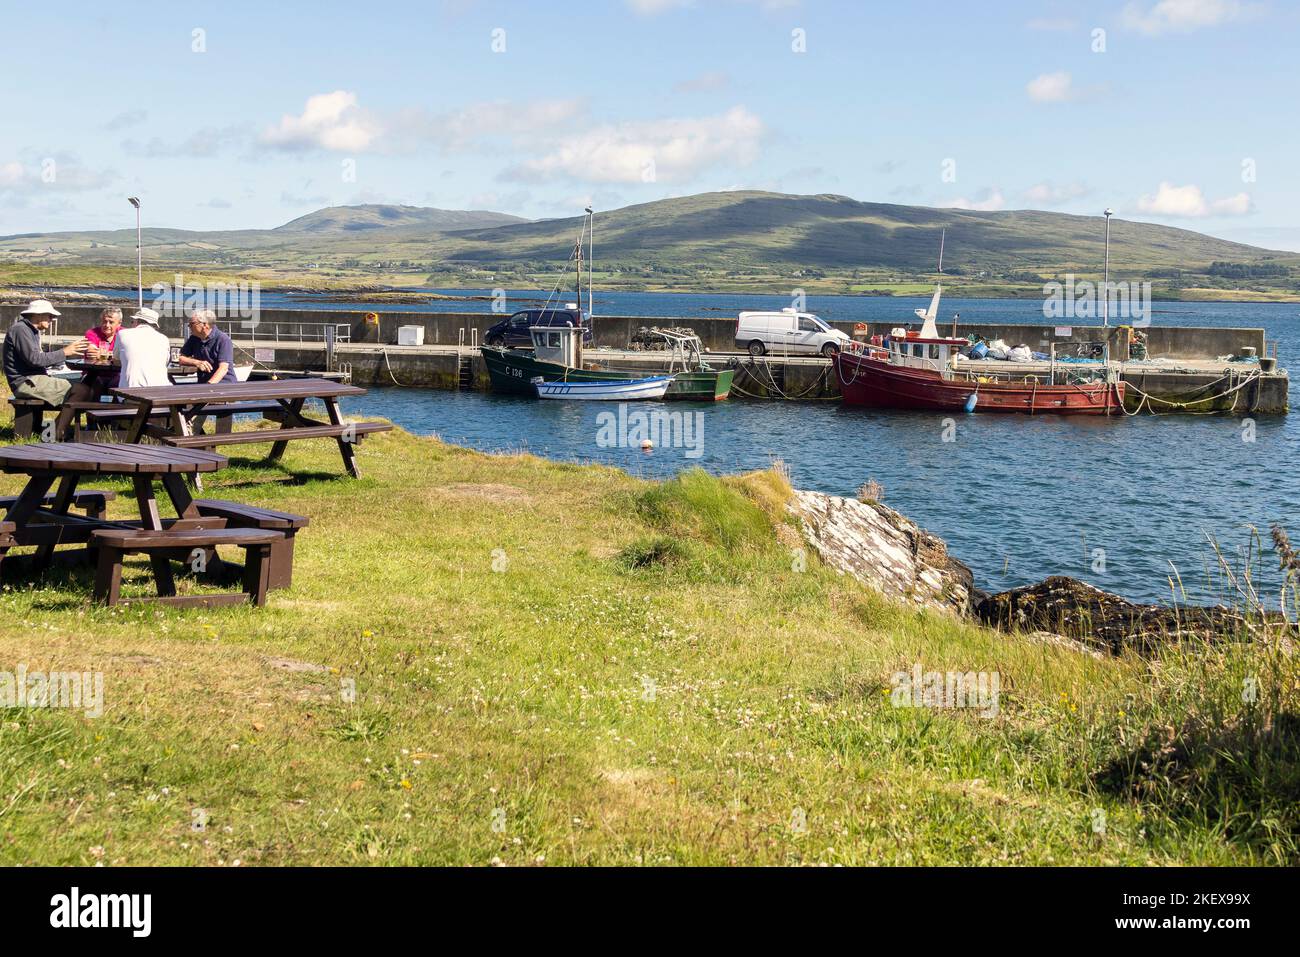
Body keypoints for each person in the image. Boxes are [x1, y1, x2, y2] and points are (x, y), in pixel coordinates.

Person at [2, 299, 90, 438]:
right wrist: (64, 352)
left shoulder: (30, 331)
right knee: (81, 390)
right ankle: (56, 433)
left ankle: (55, 430)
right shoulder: (21, 330)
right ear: (38, 315)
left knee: (84, 388)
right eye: (50, 316)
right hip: (26, 382)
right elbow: (34, 359)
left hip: (33, 379)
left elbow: (35, 359)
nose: (52, 319)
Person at [112, 308, 173, 388]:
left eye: (132, 322)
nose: (131, 325)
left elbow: (116, 359)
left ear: (137, 321)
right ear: (154, 325)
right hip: (161, 392)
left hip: (130, 394)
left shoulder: (122, 334)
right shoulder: (164, 339)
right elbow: (165, 363)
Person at [177, 309, 237, 385]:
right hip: (203, 385)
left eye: (192, 324)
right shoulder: (194, 338)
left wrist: (208, 387)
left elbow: (223, 368)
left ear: (205, 325)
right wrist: (196, 362)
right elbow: (180, 358)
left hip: (224, 385)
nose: (189, 326)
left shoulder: (223, 339)